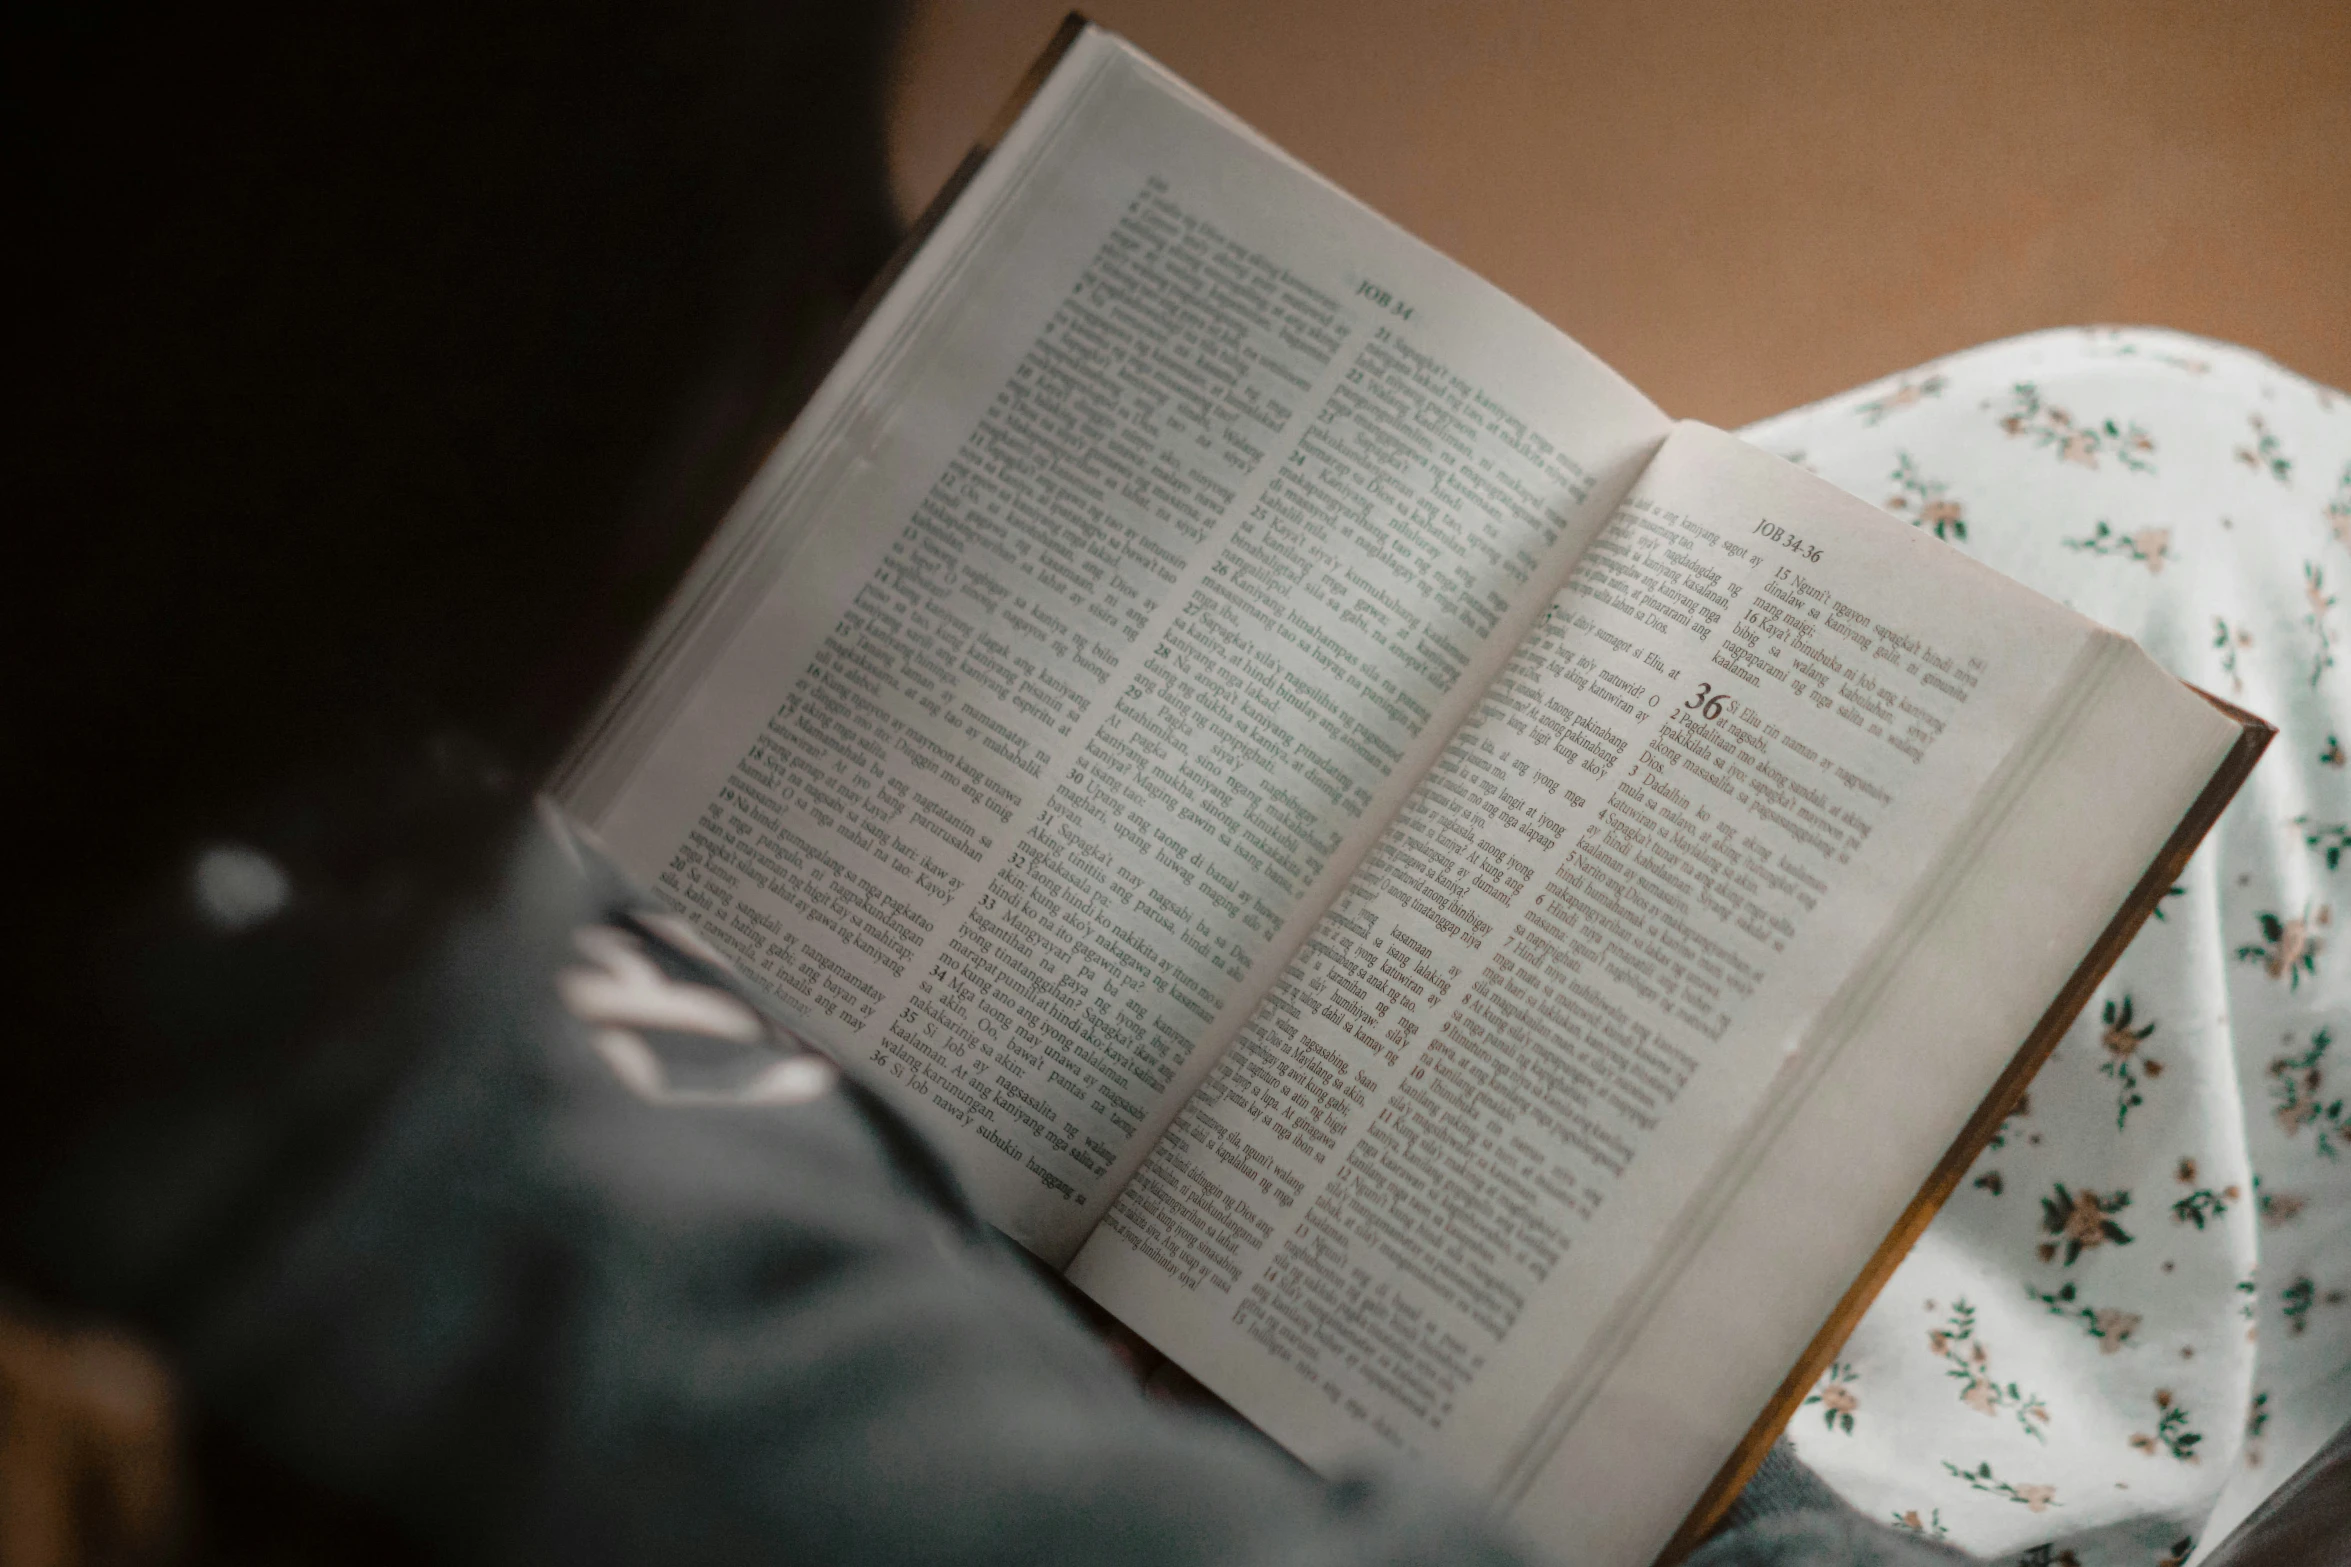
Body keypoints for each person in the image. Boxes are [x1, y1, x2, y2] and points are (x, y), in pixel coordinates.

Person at [9, 7, 2340, 1567]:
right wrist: (1742, 1496)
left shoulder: (238, 854)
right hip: (1514, 1457)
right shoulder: (412, 1243)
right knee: (2201, 512)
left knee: (2105, 475)